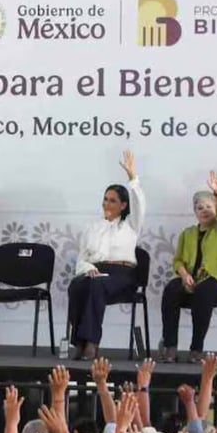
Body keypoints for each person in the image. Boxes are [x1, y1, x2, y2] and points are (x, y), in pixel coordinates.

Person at [67, 151, 146, 360]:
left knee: (96, 285)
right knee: (77, 285)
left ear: (123, 205)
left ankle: (91, 342)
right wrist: (89, 269)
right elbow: (82, 258)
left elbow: (139, 205)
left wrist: (133, 178)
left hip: (123, 275)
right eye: (105, 199)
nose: (106, 204)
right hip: (96, 271)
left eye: (112, 201)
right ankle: (79, 342)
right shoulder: (92, 227)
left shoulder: (130, 225)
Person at [159, 171, 217, 363]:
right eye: (200, 207)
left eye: (209, 206)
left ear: (216, 209)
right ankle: (170, 348)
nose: (205, 210)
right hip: (191, 280)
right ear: (195, 212)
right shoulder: (187, 234)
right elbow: (177, 260)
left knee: (204, 291)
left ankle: (196, 349)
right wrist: (184, 274)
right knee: (171, 289)